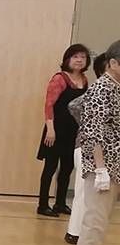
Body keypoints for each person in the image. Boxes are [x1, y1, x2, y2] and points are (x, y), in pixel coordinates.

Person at [67, 39, 120, 245]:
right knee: (96, 217)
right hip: (103, 165)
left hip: (112, 164)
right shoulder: (103, 88)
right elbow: (93, 131)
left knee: (100, 216)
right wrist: (100, 170)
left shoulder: (115, 87)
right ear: (113, 63)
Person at [37, 43, 91, 217]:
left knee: (67, 167)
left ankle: (60, 203)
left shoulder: (84, 79)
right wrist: (50, 130)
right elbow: (49, 105)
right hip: (55, 129)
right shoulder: (59, 78)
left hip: (73, 132)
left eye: (82, 57)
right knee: (50, 167)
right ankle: (43, 205)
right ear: (68, 59)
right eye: (75, 56)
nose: (79, 60)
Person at [66, 52, 109, 244]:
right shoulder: (98, 91)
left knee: (91, 196)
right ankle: (75, 233)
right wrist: (86, 125)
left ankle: (81, 234)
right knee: (84, 193)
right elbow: (73, 105)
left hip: (101, 149)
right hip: (87, 147)